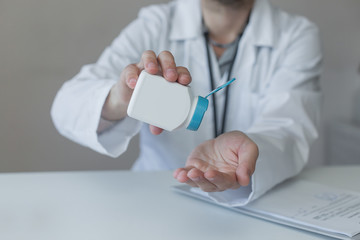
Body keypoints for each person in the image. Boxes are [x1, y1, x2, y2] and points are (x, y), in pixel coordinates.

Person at [51, 0, 322, 205]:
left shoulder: (295, 34)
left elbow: (289, 127)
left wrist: (249, 149)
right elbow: (66, 106)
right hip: (156, 199)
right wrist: (119, 98)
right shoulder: (156, 23)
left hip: (254, 204)